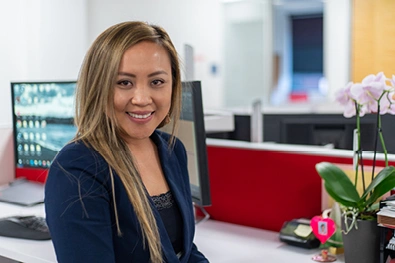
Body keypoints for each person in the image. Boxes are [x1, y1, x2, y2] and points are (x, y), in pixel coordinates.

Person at [44, 21, 209, 263]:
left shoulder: (173, 151)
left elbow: (183, 251)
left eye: (157, 82)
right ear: (98, 87)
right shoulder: (78, 168)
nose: (142, 99)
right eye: (124, 83)